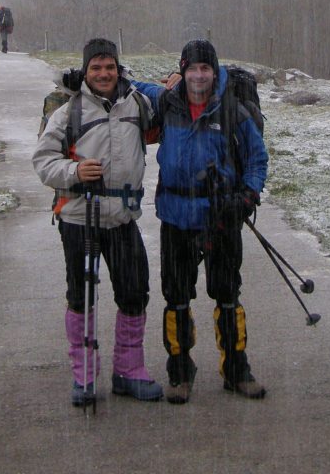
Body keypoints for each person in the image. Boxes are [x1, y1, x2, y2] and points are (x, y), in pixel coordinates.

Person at [132, 39, 268, 404]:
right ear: (182, 71)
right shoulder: (167, 102)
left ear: (214, 71)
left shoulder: (233, 112)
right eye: (192, 68)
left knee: (227, 295)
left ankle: (236, 370)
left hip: (221, 219)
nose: (199, 76)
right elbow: (128, 85)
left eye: (205, 68)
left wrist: (247, 196)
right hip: (176, 219)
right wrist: (90, 74)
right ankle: (180, 370)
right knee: (176, 297)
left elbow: (257, 159)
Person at [32, 37, 163, 407]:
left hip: (122, 218)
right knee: (81, 296)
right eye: (96, 68)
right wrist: (74, 170)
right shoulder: (67, 112)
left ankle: (128, 372)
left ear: (118, 69)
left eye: (109, 67)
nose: (103, 74)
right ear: (86, 72)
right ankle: (84, 377)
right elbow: (42, 162)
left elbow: (163, 129)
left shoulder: (138, 104)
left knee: (135, 292)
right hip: (78, 218)